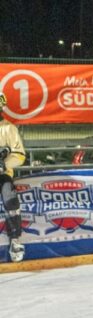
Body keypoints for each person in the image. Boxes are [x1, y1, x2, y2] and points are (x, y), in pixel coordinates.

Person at [0, 93, 26, 262]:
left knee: (11, 200)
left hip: (3, 175)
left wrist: (3, 164)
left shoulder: (9, 128)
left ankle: (15, 240)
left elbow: (19, 155)